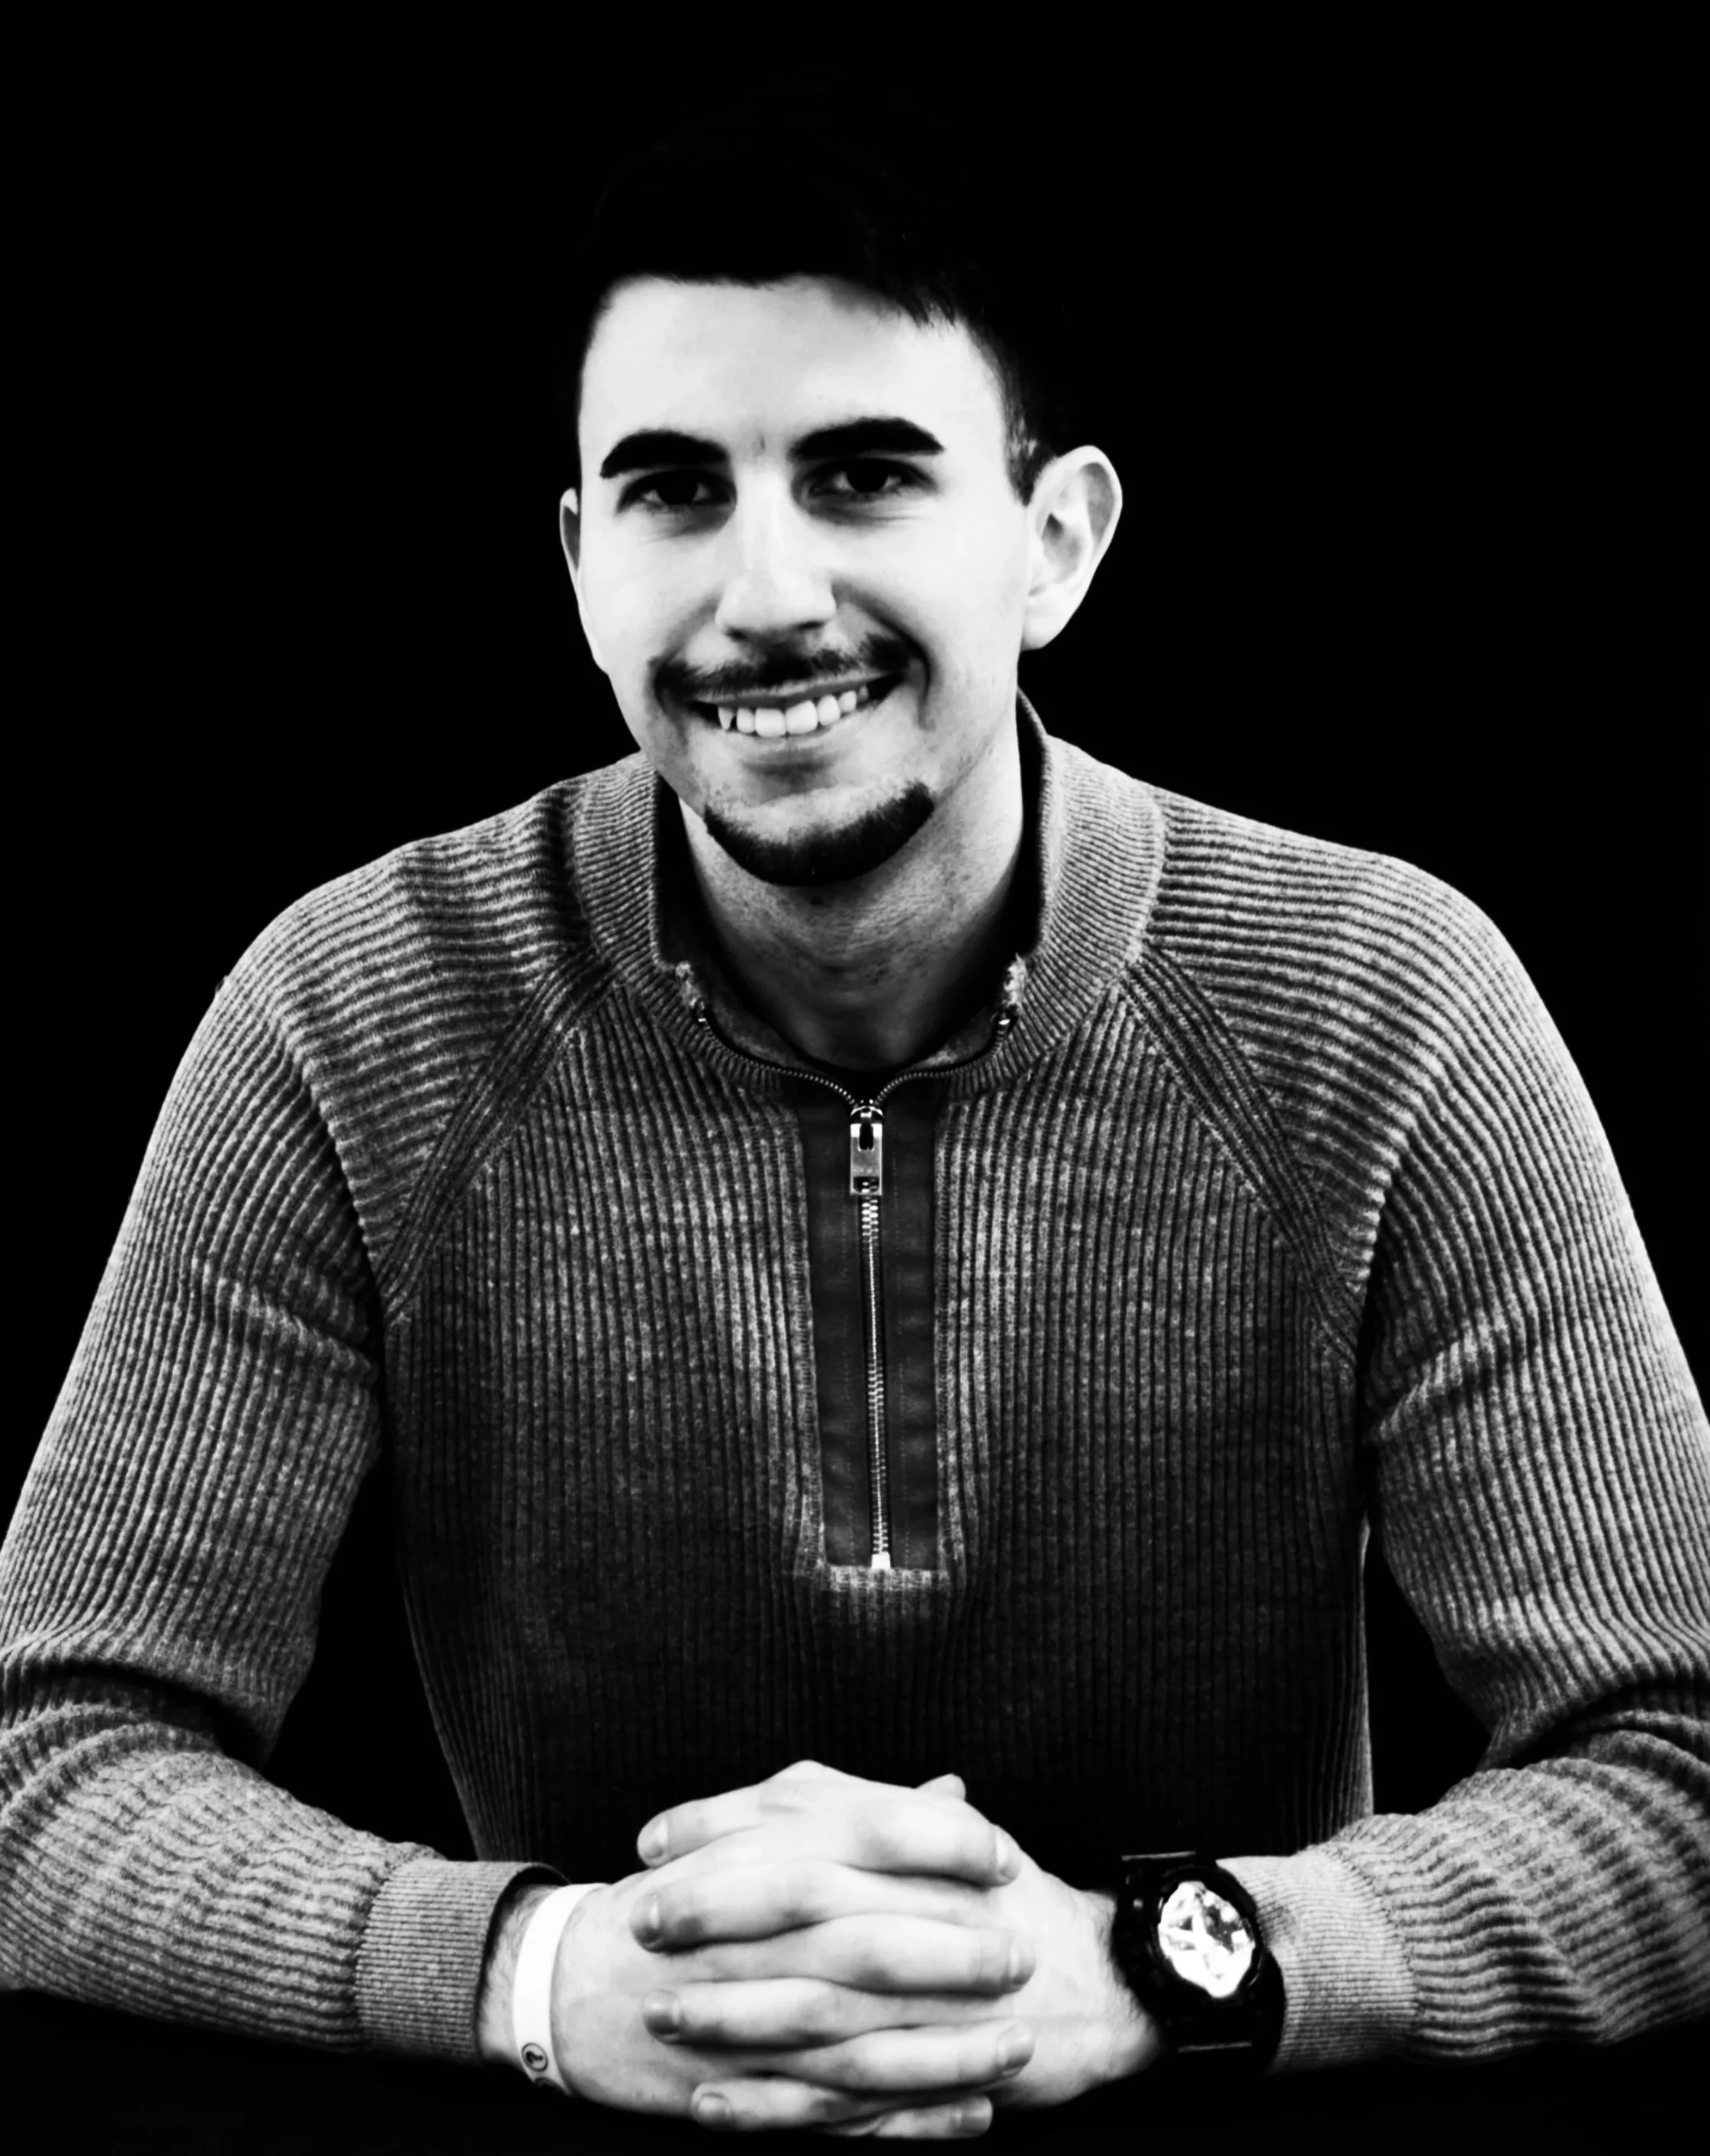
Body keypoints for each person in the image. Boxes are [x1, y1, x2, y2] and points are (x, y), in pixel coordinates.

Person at [3, 97, 1707, 2142]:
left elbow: (1680, 1765)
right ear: (581, 563)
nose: (767, 592)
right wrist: (545, 1970)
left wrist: (1147, 1968)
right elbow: (46, 1764)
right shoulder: (352, 1015)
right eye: (674, 491)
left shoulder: (1384, 1003)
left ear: (1055, 540)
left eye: (865, 474)